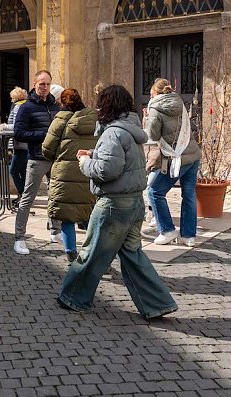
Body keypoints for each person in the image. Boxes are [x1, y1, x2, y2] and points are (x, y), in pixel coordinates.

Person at [58, 85, 177, 318]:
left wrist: (85, 164)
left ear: (108, 106)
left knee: (91, 252)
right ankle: (158, 303)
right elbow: (122, 162)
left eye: (101, 102)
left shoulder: (113, 132)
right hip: (134, 204)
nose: (98, 107)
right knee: (133, 256)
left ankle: (73, 298)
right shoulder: (130, 129)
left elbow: (108, 170)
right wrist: (93, 154)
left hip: (113, 205)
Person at [42, 89, 98, 262]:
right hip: (87, 170)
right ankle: (93, 252)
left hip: (64, 173)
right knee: (89, 214)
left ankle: (71, 253)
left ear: (63, 102)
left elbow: (47, 148)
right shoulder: (93, 119)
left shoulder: (60, 120)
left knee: (67, 215)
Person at [145, 78, 201, 246]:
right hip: (192, 154)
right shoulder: (179, 102)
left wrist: (149, 118)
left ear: (154, 93)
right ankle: (188, 236)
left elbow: (153, 135)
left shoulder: (155, 107)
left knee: (154, 191)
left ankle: (167, 230)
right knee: (189, 194)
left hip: (176, 157)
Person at [12, 70, 61, 255]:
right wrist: (44, 135)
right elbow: (19, 133)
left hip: (54, 158)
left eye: (47, 84)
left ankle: (55, 231)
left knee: (55, 196)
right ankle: (19, 238)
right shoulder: (26, 107)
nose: (45, 87)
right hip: (36, 158)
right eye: (41, 84)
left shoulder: (56, 106)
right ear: (34, 84)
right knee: (27, 198)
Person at [4, 87, 28, 202]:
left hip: (20, 143)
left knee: (13, 171)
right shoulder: (25, 105)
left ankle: (22, 195)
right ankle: (23, 196)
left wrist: (4, 126)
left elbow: (17, 125)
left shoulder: (18, 107)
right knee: (22, 171)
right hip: (25, 143)